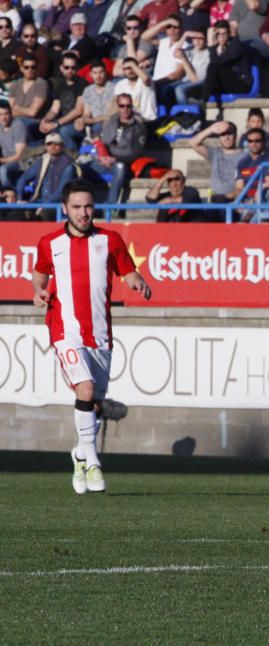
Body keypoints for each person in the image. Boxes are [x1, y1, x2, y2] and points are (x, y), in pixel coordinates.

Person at [32, 179, 152, 495]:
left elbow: (128, 271)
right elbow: (40, 273)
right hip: (64, 329)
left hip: (100, 334)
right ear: (65, 208)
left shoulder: (110, 240)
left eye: (88, 206)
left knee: (94, 404)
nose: (84, 213)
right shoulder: (50, 242)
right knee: (84, 389)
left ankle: (80, 454)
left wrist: (137, 280)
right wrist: (38, 291)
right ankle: (94, 462)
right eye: (77, 207)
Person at [91, 93, 146, 206]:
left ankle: (111, 207)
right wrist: (102, 153)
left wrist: (115, 159)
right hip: (105, 160)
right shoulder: (110, 121)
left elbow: (136, 152)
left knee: (120, 167)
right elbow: (100, 136)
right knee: (79, 169)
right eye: (122, 106)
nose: (125, 109)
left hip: (124, 163)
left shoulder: (139, 126)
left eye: (128, 106)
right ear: (118, 106)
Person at [16, 133, 79, 206]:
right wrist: (19, 198)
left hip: (57, 204)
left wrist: (45, 205)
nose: (52, 146)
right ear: (45, 146)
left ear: (62, 146)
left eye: (56, 144)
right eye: (49, 144)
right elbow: (23, 178)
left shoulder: (68, 165)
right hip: (38, 201)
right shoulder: (41, 161)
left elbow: (61, 191)